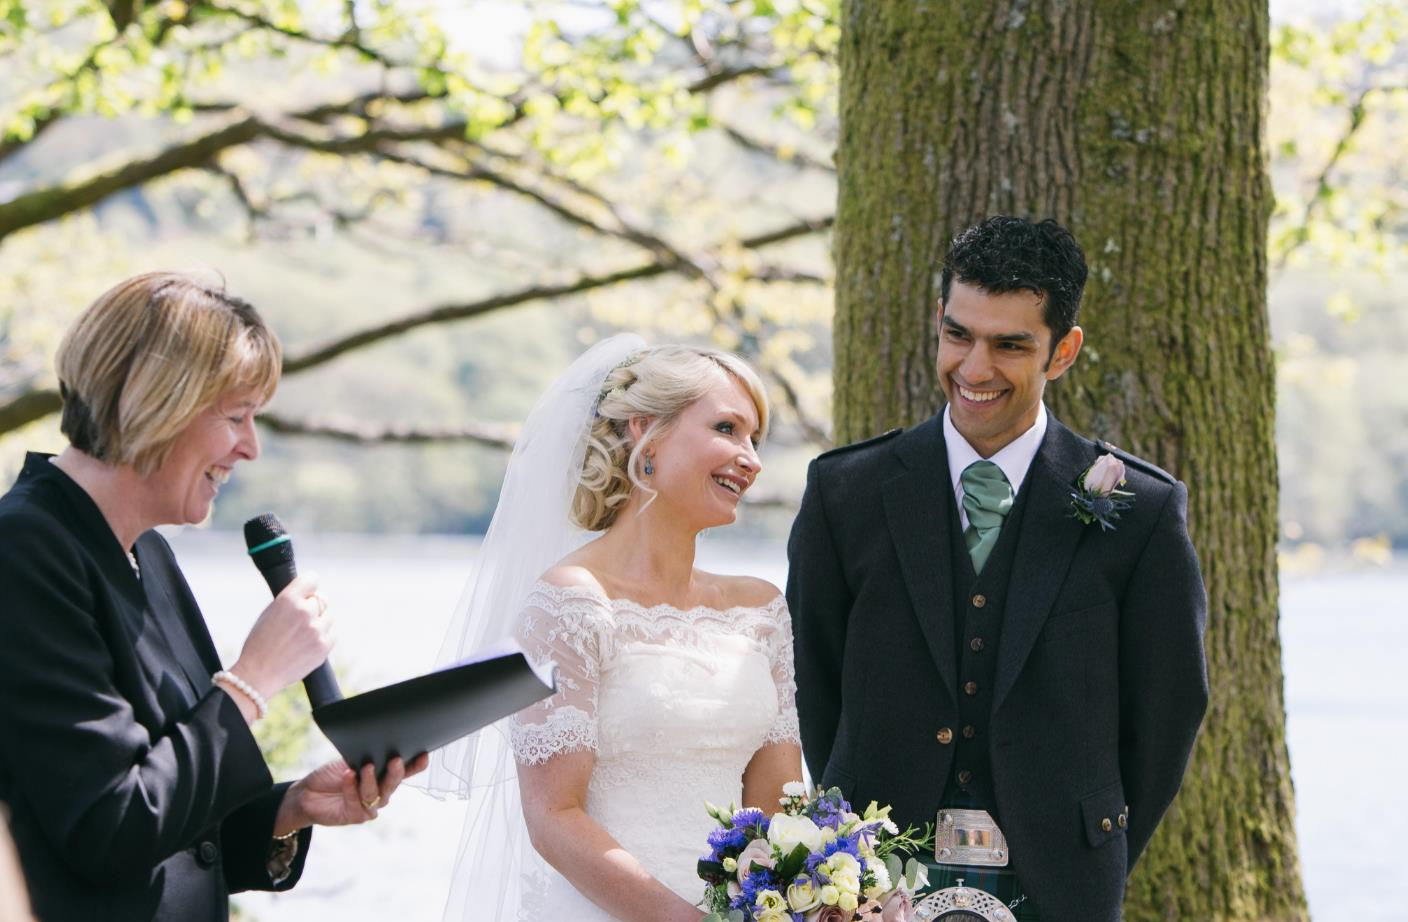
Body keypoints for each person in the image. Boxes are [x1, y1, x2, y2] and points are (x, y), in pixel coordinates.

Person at [786, 216, 1209, 922]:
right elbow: (812, 681)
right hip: (873, 879)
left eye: (1010, 345)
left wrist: (1093, 844)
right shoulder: (845, 493)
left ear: (1063, 351)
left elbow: (1168, 708)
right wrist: (853, 820)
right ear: (938, 322)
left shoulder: (1142, 511)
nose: (975, 369)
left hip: (1063, 881)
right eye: (959, 335)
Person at [0, 272, 427, 921]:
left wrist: (289, 809)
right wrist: (253, 680)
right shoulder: (24, 551)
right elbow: (109, 829)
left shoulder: (148, 553)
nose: (250, 447)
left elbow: (173, 828)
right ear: (156, 403)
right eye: (235, 416)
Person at [429, 336, 802, 922]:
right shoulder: (571, 602)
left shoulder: (761, 610)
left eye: (755, 439)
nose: (750, 459)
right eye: (727, 429)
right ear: (645, 431)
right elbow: (553, 816)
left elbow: (777, 810)